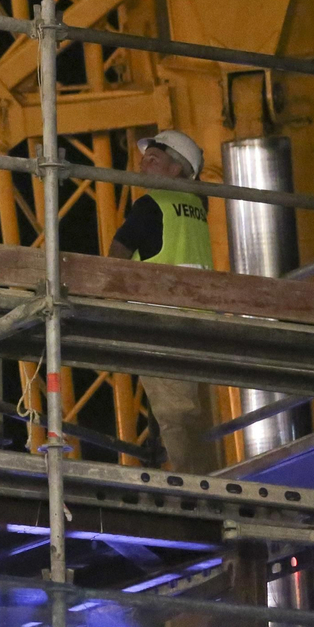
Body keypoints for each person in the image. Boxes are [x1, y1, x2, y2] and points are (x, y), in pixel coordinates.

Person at [106, 129, 216, 472]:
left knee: (174, 414)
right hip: (199, 320)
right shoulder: (197, 207)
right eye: (143, 160)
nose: (143, 166)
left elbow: (115, 258)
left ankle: (195, 489)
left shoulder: (151, 206)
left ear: (176, 169)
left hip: (160, 321)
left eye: (154, 159)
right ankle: (203, 476)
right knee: (191, 410)